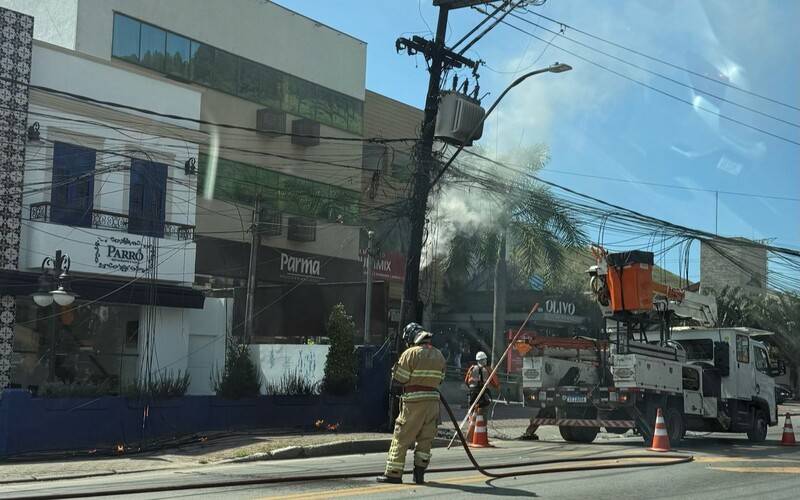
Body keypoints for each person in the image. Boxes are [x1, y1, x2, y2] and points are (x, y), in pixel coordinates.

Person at [377, 322, 446, 485]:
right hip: (433, 403)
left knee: (401, 437)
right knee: (425, 439)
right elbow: (441, 379)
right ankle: (419, 475)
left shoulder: (410, 353)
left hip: (414, 402)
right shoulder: (439, 354)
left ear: (411, 337)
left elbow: (400, 378)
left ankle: (393, 474)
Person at [464, 351, 500, 439]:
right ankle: (481, 433)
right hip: (482, 393)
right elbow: (495, 383)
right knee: (483, 412)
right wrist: (497, 388)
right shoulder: (487, 370)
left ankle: (470, 433)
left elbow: (466, 381)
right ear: (484, 360)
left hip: (472, 393)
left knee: (472, 412)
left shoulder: (472, 368)